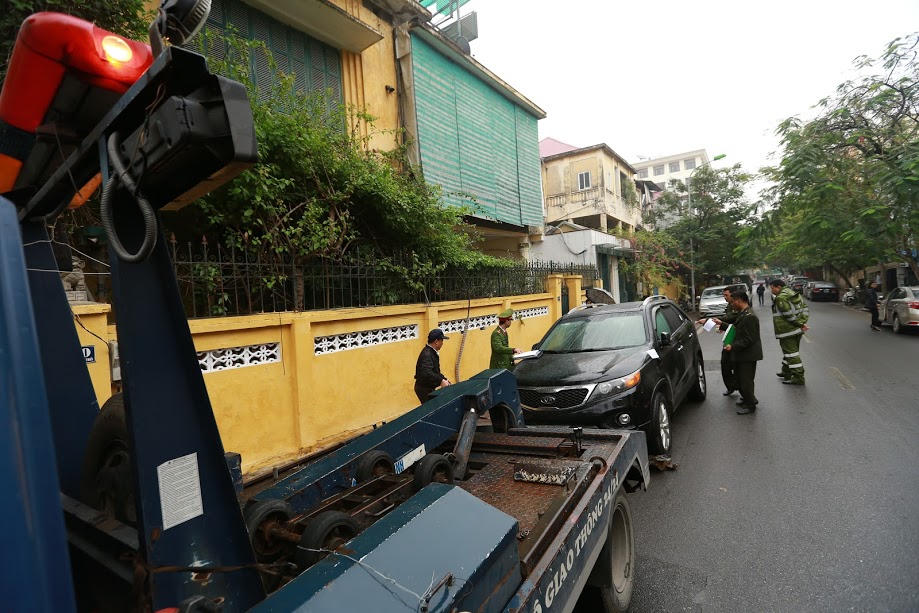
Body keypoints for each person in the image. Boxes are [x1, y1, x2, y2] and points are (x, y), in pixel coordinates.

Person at [723, 290, 762, 414]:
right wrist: (722, 324)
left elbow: (749, 339)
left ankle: (751, 405)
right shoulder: (743, 313)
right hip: (742, 353)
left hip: (748, 355)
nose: (732, 304)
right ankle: (747, 399)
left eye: (733, 302)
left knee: (746, 382)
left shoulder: (750, 316)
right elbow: (736, 328)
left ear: (739, 300)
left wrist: (732, 346)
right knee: (740, 379)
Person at [697, 287, 738, 396]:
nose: (724, 298)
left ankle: (742, 389)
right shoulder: (729, 306)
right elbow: (726, 319)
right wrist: (720, 326)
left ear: (733, 295)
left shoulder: (736, 306)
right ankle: (731, 386)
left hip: (737, 339)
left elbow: (727, 319)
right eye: (723, 295)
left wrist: (707, 321)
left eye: (726, 295)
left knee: (737, 365)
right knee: (725, 364)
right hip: (730, 337)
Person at [770, 279, 809, 385]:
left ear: (778, 287)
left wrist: (799, 324)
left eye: (772, 288)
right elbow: (805, 308)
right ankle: (786, 371)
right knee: (790, 352)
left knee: (792, 354)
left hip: (787, 331)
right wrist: (802, 322)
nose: (771, 291)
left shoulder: (781, 297)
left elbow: (788, 315)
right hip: (797, 330)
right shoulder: (793, 293)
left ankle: (798, 377)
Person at [414, 328, 450, 403]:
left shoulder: (432, 352)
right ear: (436, 342)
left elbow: (435, 372)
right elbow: (427, 372)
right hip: (424, 389)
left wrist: (444, 379)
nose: (442, 343)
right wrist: (441, 381)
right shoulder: (427, 354)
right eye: (441, 340)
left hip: (428, 387)